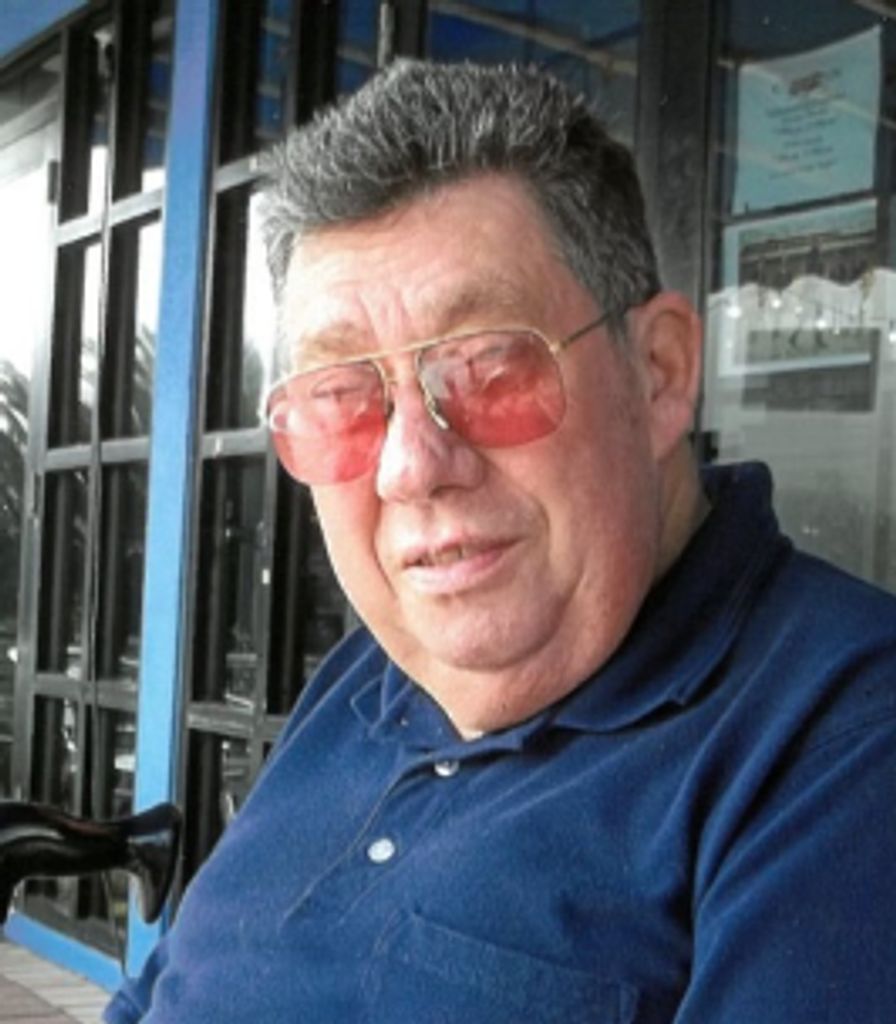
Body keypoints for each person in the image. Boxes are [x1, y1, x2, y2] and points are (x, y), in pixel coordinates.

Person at [105, 59, 896, 1023]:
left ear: (657, 374)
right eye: (342, 397)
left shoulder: (842, 739)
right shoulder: (368, 675)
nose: (409, 467)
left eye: (488, 368)